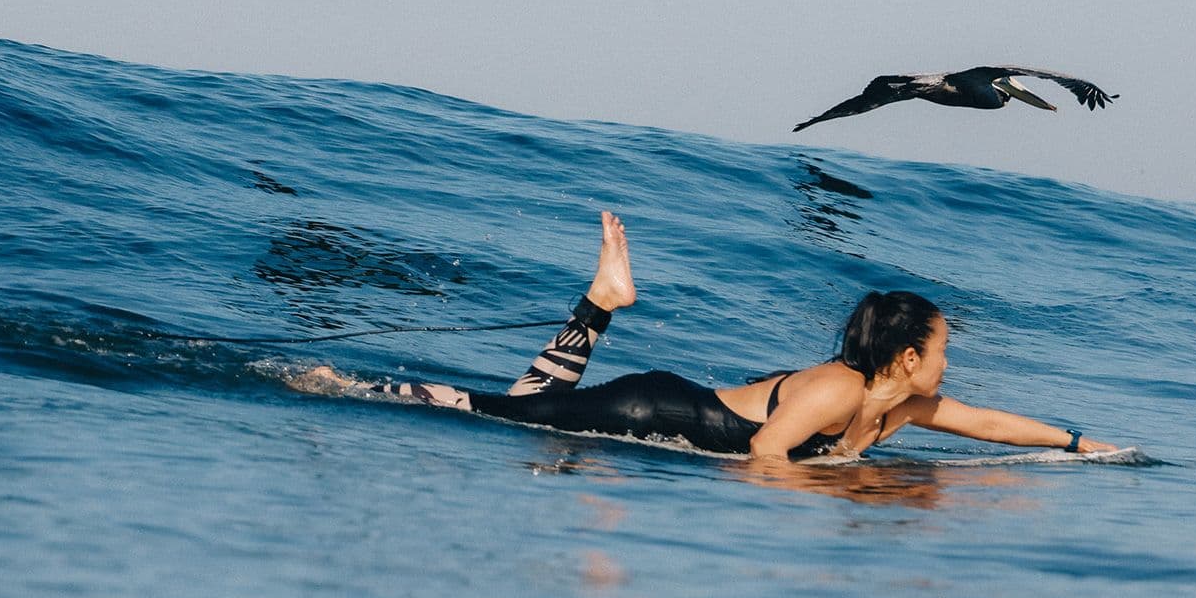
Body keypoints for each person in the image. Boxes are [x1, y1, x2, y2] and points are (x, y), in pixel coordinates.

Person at [349, 211, 1118, 461]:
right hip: (648, 412)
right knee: (494, 413)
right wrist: (826, 485)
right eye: (945, 348)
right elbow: (763, 456)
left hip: (664, 409)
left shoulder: (898, 405)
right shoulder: (837, 389)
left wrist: (1074, 442)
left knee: (527, 410)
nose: (951, 364)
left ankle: (602, 299)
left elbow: (984, 423)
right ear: (907, 356)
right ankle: (345, 389)